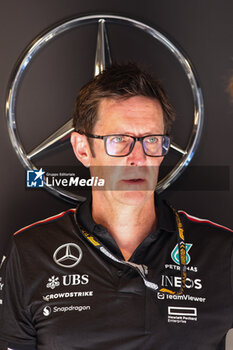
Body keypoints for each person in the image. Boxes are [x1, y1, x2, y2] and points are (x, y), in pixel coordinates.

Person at [0, 63, 232, 350]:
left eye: (152, 140)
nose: (138, 158)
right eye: (119, 140)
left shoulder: (222, 251)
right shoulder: (30, 251)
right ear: (83, 148)